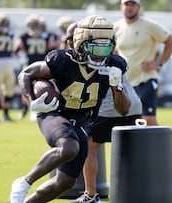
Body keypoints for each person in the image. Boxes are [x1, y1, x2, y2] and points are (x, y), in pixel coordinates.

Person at [9, 15, 131, 203]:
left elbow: (123, 110)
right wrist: (31, 99)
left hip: (81, 120)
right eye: (94, 48)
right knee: (69, 147)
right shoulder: (62, 60)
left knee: (65, 182)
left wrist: (118, 87)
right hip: (54, 112)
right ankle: (24, 182)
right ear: (80, 44)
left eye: (105, 48)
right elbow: (26, 73)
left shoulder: (114, 65)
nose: (100, 55)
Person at [65, 22, 142, 203]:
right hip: (134, 105)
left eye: (70, 38)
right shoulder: (108, 51)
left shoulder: (88, 55)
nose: (68, 42)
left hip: (109, 108)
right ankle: (134, 193)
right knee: (130, 153)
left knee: (89, 149)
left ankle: (90, 195)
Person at [114, 0, 172, 125]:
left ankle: (161, 144)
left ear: (139, 7)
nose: (129, 8)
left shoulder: (149, 25)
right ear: (121, 7)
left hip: (145, 80)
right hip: (125, 83)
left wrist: (158, 63)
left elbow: (171, 42)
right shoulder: (115, 28)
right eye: (127, 5)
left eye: (133, 5)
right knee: (127, 121)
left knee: (148, 120)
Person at [15, 14, 59, 120]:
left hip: (32, 65)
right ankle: (31, 109)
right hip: (43, 65)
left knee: (28, 87)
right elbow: (55, 48)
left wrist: (23, 59)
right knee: (40, 87)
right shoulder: (47, 36)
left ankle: (31, 109)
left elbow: (16, 50)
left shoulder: (24, 36)